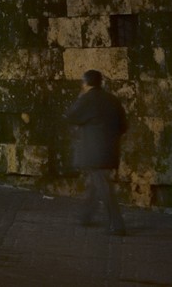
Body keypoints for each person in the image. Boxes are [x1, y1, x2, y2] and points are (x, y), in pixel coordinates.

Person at [63, 69, 129, 236]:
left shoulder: (87, 99)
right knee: (96, 182)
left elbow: (71, 116)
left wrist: (80, 97)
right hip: (110, 150)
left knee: (103, 185)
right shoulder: (112, 100)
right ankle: (85, 215)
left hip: (94, 151)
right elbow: (123, 126)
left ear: (85, 83)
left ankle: (117, 224)